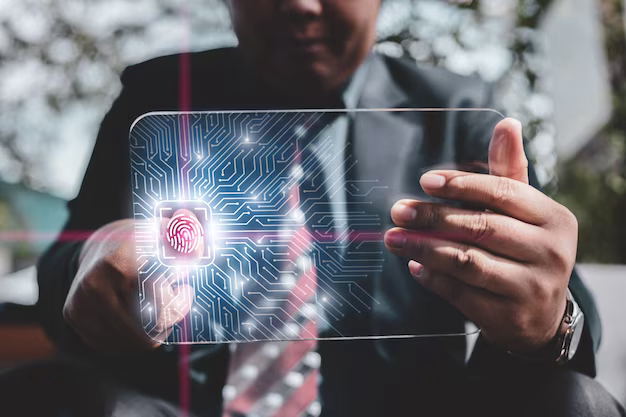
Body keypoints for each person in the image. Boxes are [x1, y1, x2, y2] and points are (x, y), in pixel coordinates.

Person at [3, 0, 623, 416]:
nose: (300, 4)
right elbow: (66, 271)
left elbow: (568, 317)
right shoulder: (156, 95)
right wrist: (92, 258)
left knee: (576, 401)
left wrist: (543, 318)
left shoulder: (457, 112)